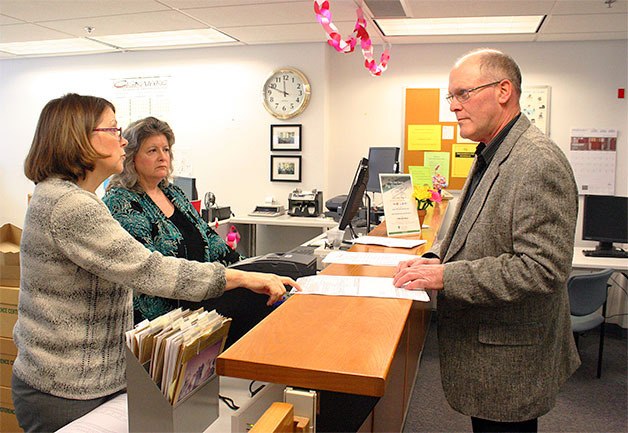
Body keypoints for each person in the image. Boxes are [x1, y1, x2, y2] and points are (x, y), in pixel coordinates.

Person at [12, 94, 298, 433]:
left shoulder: (66, 197)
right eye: (113, 129)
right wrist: (237, 278)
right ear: (80, 138)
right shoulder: (71, 205)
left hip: (88, 381)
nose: (122, 140)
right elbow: (148, 270)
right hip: (67, 389)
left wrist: (241, 270)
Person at [393, 49, 580, 433]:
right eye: (451, 97)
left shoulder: (537, 161)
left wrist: (446, 277)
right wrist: (436, 262)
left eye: (463, 94)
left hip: (511, 356)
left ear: (503, 91)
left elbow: (543, 269)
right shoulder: (493, 152)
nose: (454, 107)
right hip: (492, 349)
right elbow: (477, 231)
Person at [103, 116, 274, 346]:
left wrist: (253, 269)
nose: (163, 156)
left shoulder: (173, 193)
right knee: (257, 306)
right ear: (132, 158)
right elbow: (151, 269)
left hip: (201, 294)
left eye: (166, 149)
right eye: (152, 150)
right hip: (165, 313)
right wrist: (241, 279)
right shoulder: (121, 201)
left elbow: (211, 240)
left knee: (268, 293)